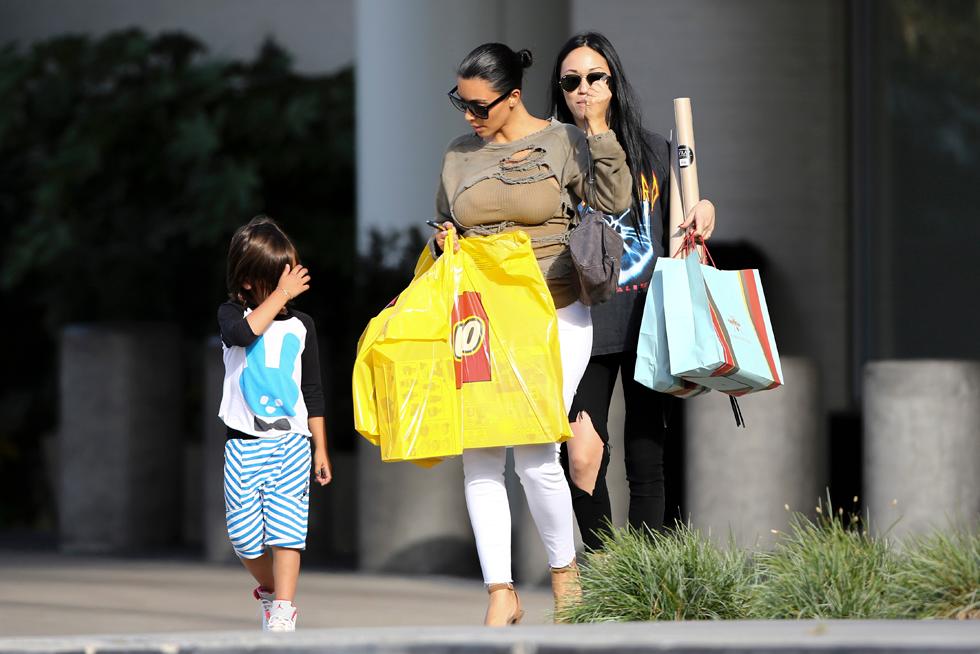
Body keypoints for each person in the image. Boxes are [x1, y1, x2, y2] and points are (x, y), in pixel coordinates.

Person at [431, 42, 633, 625]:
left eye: (478, 106)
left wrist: (595, 127)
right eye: (460, 104)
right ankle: (501, 591)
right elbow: (442, 220)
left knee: (536, 451)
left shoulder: (563, 141)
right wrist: (444, 240)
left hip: (555, 309)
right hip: (481, 319)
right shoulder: (458, 154)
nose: (469, 117)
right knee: (479, 457)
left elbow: (615, 201)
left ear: (512, 96)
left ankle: (566, 578)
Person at [548, 32, 717, 550]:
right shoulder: (551, 157)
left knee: (647, 456)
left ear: (613, 82)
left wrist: (704, 210)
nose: (584, 90)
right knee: (579, 455)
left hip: (648, 316)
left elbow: (681, 222)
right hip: (583, 323)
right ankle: (604, 570)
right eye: (571, 81)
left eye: (594, 78)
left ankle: (643, 577)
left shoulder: (653, 151)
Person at [217, 215, 333, 632]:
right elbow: (244, 335)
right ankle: (270, 589)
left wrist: (320, 447)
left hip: (291, 444)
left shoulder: (303, 327)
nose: (288, 287)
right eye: (277, 279)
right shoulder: (231, 315)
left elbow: (314, 391)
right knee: (244, 538)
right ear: (248, 282)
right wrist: (278, 295)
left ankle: (283, 608)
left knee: (288, 531)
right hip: (243, 444)